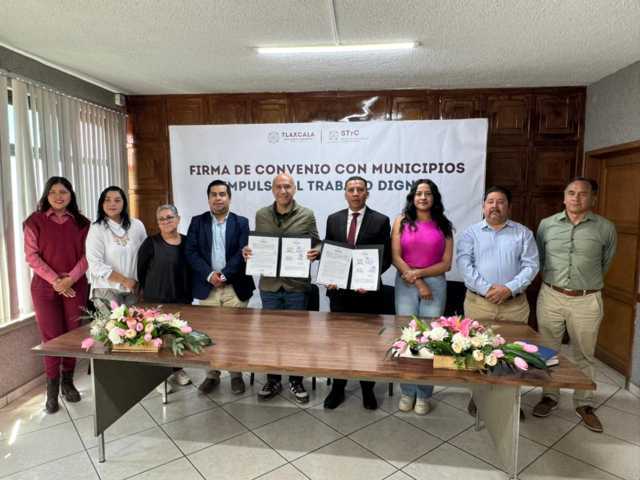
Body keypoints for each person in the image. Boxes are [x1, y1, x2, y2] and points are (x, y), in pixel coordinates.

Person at [533, 177, 616, 433]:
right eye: (571, 193)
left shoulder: (605, 228)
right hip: (552, 295)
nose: (576, 198)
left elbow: (606, 262)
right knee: (548, 351)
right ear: (564, 197)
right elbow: (540, 258)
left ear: (593, 198)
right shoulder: (546, 225)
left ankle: (584, 403)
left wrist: (584, 283)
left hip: (587, 299)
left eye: (583, 193)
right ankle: (549, 396)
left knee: (584, 353)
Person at [456, 185, 539, 416]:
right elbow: (465, 265)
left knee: (513, 354)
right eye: (490, 201)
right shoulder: (470, 234)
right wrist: (488, 289)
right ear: (483, 206)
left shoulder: (523, 233)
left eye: (500, 202)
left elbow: (531, 266)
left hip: (514, 305)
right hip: (479, 303)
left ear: (509, 207)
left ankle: (511, 401)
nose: (495, 206)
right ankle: (479, 398)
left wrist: (509, 289)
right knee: (478, 351)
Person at [243, 173, 321, 404]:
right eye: (279, 186)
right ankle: (273, 379)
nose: (283, 190)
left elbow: (317, 242)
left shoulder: (307, 214)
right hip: (269, 286)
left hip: (296, 286)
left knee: (297, 337)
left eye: (287, 186)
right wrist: (248, 251)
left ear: (294, 189)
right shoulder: (261, 214)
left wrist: (316, 251)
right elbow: (258, 244)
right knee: (271, 336)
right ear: (273, 190)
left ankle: (296, 380)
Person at [322, 176, 391, 410]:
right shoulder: (333, 219)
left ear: (366, 194)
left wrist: (370, 279)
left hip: (367, 294)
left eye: (360, 189)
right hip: (339, 295)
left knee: (367, 344)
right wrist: (329, 277)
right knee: (338, 343)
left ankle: (367, 388)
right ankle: (338, 388)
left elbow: (386, 257)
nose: (355, 193)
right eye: (351, 189)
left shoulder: (381, 220)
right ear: (345, 193)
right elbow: (330, 252)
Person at [24, 177, 90, 414]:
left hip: (75, 286)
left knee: (72, 335)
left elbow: (88, 255)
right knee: (51, 338)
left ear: (71, 195)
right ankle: (51, 391)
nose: (58, 196)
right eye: (52, 192)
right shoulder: (34, 221)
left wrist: (69, 279)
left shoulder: (83, 223)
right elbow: (32, 256)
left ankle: (67, 382)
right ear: (46, 195)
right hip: (44, 288)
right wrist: (56, 281)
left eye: (63, 192)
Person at [186, 180, 255, 395]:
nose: (218, 198)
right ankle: (212, 375)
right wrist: (210, 275)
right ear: (208, 199)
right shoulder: (197, 222)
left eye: (222, 194)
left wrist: (224, 275)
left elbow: (242, 254)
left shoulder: (241, 222)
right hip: (207, 288)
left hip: (235, 287)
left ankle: (236, 375)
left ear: (229, 198)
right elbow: (191, 252)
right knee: (209, 334)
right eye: (214, 194)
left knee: (236, 335)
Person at [392, 179, 454, 415]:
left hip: (435, 283)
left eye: (428, 193)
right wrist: (417, 281)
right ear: (413, 197)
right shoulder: (401, 221)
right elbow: (395, 257)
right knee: (407, 337)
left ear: (434, 198)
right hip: (406, 282)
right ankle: (407, 392)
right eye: (419, 193)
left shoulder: (444, 225)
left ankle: (424, 394)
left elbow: (446, 264)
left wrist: (420, 275)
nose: (423, 197)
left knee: (430, 339)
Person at [137, 204, 192, 389]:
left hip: (182, 299)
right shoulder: (150, 243)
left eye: (170, 217)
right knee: (158, 338)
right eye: (162, 219)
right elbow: (141, 271)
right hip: (157, 299)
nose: (166, 221)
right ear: (158, 223)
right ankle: (159, 378)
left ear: (178, 219)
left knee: (177, 337)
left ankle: (177, 370)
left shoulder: (188, 242)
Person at [86, 186, 147, 310]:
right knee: (112, 323)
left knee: (137, 323)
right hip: (106, 289)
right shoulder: (96, 228)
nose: (112, 204)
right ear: (101, 204)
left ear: (124, 203)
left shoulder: (137, 225)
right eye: (107, 200)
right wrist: (124, 280)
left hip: (133, 289)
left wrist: (142, 283)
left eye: (117, 200)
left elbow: (146, 256)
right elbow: (95, 265)